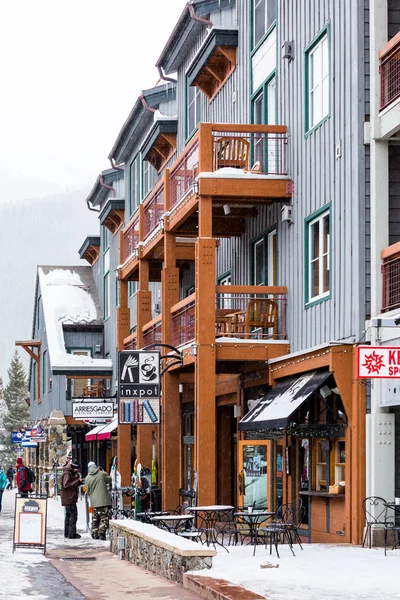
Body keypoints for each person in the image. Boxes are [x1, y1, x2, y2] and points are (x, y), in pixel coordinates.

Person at [85, 461, 112, 540]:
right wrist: (104, 472)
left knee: (95, 518)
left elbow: (88, 491)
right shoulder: (101, 474)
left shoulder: (87, 478)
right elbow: (109, 479)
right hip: (104, 501)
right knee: (104, 518)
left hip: (94, 502)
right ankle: (101, 532)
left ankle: (94, 533)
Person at [60, 461, 83, 539]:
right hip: (69, 498)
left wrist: (77, 480)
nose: (77, 471)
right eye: (76, 469)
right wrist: (77, 481)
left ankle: (67, 533)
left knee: (68, 515)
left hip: (68, 497)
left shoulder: (68, 473)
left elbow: (70, 483)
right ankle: (71, 534)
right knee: (73, 515)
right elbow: (66, 485)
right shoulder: (67, 474)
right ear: (73, 468)